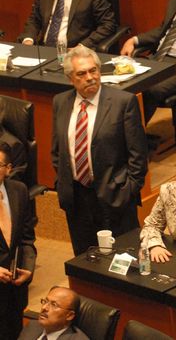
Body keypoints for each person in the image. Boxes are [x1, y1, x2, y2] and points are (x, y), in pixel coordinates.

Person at [51, 47, 148, 256]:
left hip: (115, 196)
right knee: (85, 258)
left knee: (124, 259)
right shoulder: (60, 102)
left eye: (93, 70)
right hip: (77, 198)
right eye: (81, 73)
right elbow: (58, 151)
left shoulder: (123, 102)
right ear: (70, 78)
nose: (90, 77)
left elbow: (138, 155)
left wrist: (128, 191)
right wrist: (63, 183)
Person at [0, 142, 36, 340]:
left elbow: (27, 238)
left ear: (8, 169)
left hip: (14, 289)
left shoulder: (19, 191)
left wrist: (28, 268)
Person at [18, 286, 88, 340]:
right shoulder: (32, 326)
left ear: (69, 315)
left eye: (54, 305)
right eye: (45, 301)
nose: (44, 307)